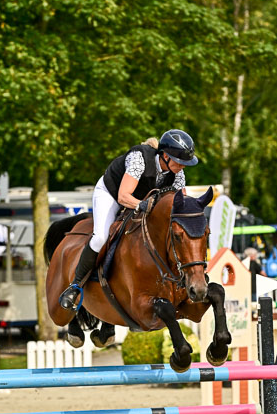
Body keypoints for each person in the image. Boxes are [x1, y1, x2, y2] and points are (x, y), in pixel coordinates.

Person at [59, 129, 199, 310]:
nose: (183, 167)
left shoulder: (177, 173)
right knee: (101, 236)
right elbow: (123, 196)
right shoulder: (139, 158)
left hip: (140, 200)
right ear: (165, 156)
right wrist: (141, 206)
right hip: (112, 193)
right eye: (180, 162)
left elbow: (179, 206)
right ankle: (75, 285)